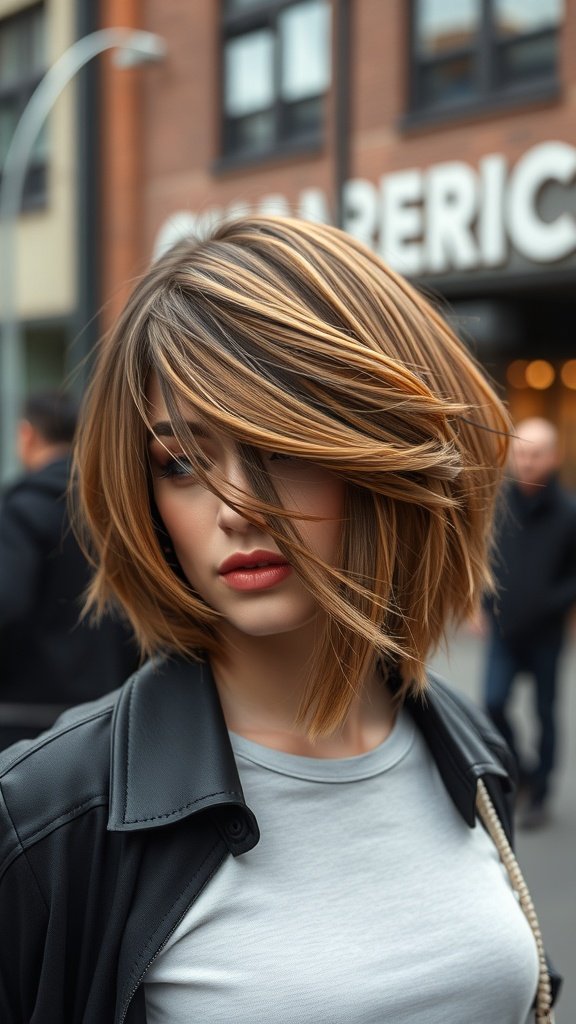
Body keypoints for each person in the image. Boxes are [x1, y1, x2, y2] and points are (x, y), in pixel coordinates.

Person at [0, 218, 560, 1023]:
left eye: (280, 444)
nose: (235, 507)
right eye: (182, 462)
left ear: (380, 451)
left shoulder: (465, 747)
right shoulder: (49, 814)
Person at [0, 390, 138, 749]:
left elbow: (6, 603)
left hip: (25, 722)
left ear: (27, 435)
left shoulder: (20, 511)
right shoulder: (116, 512)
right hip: (114, 715)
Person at [483, 417, 576, 830]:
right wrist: (482, 606)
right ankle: (520, 770)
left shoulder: (569, 513)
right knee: (493, 702)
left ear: (553, 458)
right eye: (520, 452)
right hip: (503, 630)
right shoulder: (497, 506)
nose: (526, 461)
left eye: (535, 454)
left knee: (544, 712)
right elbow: (483, 558)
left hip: (546, 634)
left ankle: (541, 793)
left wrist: (551, 604)